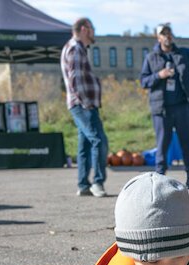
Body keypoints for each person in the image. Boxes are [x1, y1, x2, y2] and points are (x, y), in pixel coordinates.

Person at [140, 7, 189, 191]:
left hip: (182, 107)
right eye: (164, 33)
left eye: (169, 32)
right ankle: (159, 182)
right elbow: (143, 81)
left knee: (187, 144)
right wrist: (159, 75)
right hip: (161, 110)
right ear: (158, 38)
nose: (168, 35)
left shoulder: (182, 54)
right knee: (162, 146)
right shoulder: (151, 58)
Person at [61, 17, 109, 197]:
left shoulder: (76, 48)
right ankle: (97, 182)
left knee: (85, 145)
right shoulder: (75, 48)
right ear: (84, 29)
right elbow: (76, 80)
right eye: (92, 28)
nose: (94, 32)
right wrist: (86, 103)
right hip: (83, 105)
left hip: (81, 104)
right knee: (98, 140)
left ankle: (83, 184)